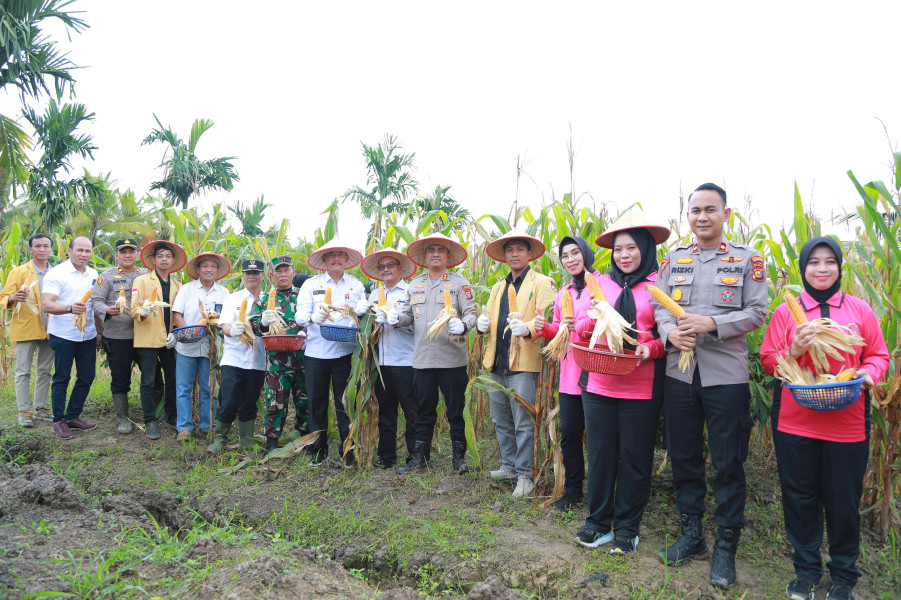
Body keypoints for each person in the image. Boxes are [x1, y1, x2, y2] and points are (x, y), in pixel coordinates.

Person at [651, 183, 767, 588]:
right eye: (695, 210)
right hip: (679, 375)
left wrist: (713, 323)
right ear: (688, 216)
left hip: (725, 376)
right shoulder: (674, 259)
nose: (702, 216)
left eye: (710, 210)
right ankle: (692, 536)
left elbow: (757, 311)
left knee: (728, 462)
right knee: (683, 456)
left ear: (726, 214)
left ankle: (726, 547)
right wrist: (670, 335)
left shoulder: (747, 259)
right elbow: (658, 306)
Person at [760, 238, 888, 600]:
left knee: (843, 500)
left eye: (829, 261)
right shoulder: (787, 311)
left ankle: (844, 575)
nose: (821, 269)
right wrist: (795, 350)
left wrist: (868, 374)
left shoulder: (859, 310)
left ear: (839, 267)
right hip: (795, 421)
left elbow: (878, 355)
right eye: (813, 262)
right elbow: (770, 360)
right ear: (803, 268)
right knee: (800, 497)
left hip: (846, 423)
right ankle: (806, 570)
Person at [571, 212, 670, 553]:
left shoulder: (660, 285)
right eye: (618, 249)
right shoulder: (601, 283)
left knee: (634, 458)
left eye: (631, 248)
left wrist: (651, 348)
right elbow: (580, 326)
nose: (624, 255)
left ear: (645, 248)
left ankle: (627, 527)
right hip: (598, 384)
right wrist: (593, 319)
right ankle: (598, 523)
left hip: (642, 387)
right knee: (599, 455)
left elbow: (666, 337)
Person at [389, 233, 477, 474]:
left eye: (441, 250)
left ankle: (459, 460)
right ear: (425, 256)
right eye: (431, 250)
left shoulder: (460, 283)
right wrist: (396, 319)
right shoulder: (415, 285)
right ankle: (420, 458)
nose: (435, 253)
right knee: (423, 410)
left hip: (452, 360)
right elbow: (407, 316)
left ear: (448, 256)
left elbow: (471, 313)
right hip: (422, 360)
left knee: (455, 410)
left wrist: (464, 325)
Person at [477, 231, 556, 497]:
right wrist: (480, 325)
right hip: (497, 363)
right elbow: (489, 319)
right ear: (504, 256)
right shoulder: (499, 287)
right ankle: (509, 465)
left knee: (523, 422)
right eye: (509, 250)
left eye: (519, 249)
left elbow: (550, 318)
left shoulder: (542, 283)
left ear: (529, 253)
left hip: (524, 363)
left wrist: (529, 328)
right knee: (501, 420)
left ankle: (526, 473)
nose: (514, 254)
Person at [534, 236, 595, 510]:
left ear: (586, 254)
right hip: (570, 376)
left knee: (598, 437)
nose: (570, 259)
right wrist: (542, 326)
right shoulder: (564, 293)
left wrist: (580, 325)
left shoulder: (600, 286)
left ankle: (600, 490)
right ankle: (573, 490)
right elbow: (558, 332)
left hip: (597, 375)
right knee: (569, 433)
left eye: (575, 253)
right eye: (565, 256)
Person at [296, 240, 366, 465]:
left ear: (346, 259)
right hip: (316, 352)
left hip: (346, 353)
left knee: (346, 404)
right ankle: (318, 449)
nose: (336, 258)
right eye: (331, 255)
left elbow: (363, 315)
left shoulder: (356, 285)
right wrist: (311, 319)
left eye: (341, 254)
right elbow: (299, 315)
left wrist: (364, 312)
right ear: (324, 260)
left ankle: (348, 450)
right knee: (316, 402)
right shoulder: (310, 284)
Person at [360, 249, 418, 469]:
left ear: (400, 268)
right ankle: (387, 457)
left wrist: (396, 321)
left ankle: (416, 456)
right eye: (382, 267)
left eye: (390, 266)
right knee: (385, 411)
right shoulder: (374, 294)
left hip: (406, 361)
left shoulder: (411, 291)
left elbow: (418, 327)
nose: (385, 270)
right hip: (380, 362)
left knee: (412, 410)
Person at [91, 238, 154, 434]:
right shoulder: (107, 277)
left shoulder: (146, 275)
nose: (127, 255)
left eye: (131, 251)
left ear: (137, 254)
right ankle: (123, 418)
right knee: (120, 377)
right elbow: (96, 300)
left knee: (152, 376)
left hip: (144, 334)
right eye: (123, 252)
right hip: (118, 335)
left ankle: (153, 414)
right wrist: (107, 310)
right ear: (117, 255)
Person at [40, 236, 100, 439]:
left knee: (86, 376)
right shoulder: (57, 273)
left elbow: (95, 304)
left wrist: (99, 332)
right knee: (62, 377)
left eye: (88, 251)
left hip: (88, 334)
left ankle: (73, 416)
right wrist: (68, 308)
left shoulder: (93, 273)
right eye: (80, 250)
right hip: (64, 334)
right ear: (70, 250)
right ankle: (58, 421)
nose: (84, 255)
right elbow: (46, 304)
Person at [249, 255, 308, 454]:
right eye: (278, 271)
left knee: (305, 399)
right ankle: (272, 441)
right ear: (272, 274)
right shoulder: (264, 298)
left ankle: (306, 437)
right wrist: (263, 322)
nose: (283, 274)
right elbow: (254, 326)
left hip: (303, 358)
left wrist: (307, 330)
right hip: (276, 361)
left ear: (293, 272)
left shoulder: (303, 294)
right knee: (274, 400)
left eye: (286, 270)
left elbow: (314, 318)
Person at [209, 259, 269, 453]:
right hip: (234, 359)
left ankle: (247, 439)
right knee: (229, 399)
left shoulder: (269, 299)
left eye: (256, 273)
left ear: (262, 275)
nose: (252, 276)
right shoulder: (233, 298)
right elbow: (224, 324)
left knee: (251, 399)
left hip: (258, 360)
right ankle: (221, 438)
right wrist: (231, 330)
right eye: (248, 273)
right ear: (243, 275)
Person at [130, 240, 186, 440]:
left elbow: (180, 312)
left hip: (170, 338)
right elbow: (133, 307)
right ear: (153, 260)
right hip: (148, 339)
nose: (164, 259)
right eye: (160, 256)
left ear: (172, 261)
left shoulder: (178, 285)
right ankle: (149, 420)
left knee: (173, 379)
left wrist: (177, 333)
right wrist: (142, 311)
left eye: (167, 256)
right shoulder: (142, 281)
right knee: (148, 381)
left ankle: (172, 416)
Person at [172, 253, 230, 441]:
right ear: (198, 269)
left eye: (213, 266)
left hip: (210, 349)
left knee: (208, 388)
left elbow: (226, 319)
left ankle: (207, 425)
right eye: (205, 266)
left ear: (217, 270)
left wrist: (217, 327)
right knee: (183, 388)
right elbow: (177, 315)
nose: (209, 270)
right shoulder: (187, 290)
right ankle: (184, 427)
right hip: (186, 347)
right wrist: (190, 331)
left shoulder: (224, 293)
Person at [0, 233, 54, 427]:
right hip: (26, 327)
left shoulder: (56, 273)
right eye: (37, 246)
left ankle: (40, 408)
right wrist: (14, 297)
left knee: (45, 370)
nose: (42, 249)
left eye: (45, 246)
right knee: (23, 371)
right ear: (30, 249)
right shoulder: (19, 272)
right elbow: (3, 297)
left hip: (50, 328)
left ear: (51, 249)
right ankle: (24, 411)